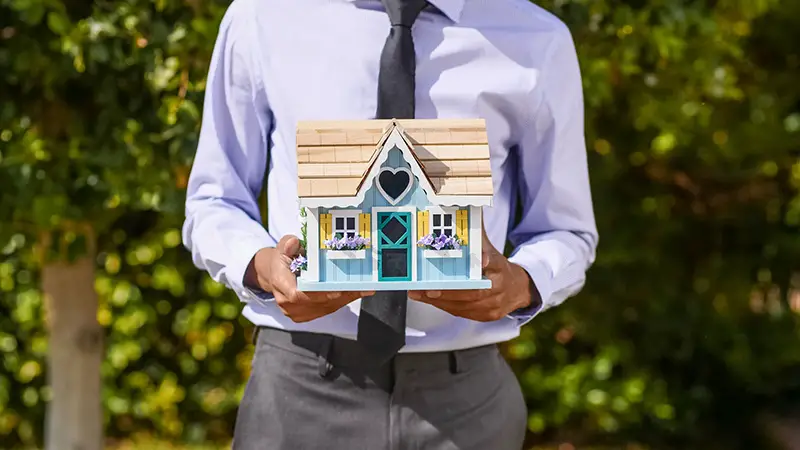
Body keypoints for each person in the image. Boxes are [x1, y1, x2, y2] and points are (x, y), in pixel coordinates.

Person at [182, 0, 598, 448]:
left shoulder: (537, 38)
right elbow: (214, 200)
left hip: (467, 404)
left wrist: (520, 283)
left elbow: (566, 230)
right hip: (298, 390)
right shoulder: (262, 17)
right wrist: (261, 266)